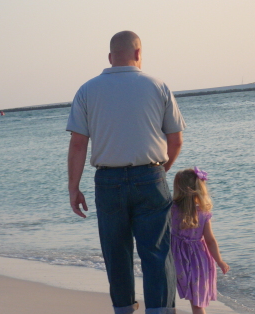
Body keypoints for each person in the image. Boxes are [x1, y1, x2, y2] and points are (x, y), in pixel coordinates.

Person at [66, 31, 186, 314]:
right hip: (151, 175)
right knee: (156, 253)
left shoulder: (87, 90)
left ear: (110, 57)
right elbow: (176, 140)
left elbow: (78, 144)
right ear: (138, 53)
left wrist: (73, 188)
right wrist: (161, 171)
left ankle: (124, 310)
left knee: (116, 254)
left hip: (108, 180)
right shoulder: (158, 86)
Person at [171, 167, 230, 314]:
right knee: (197, 302)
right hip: (199, 260)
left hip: (177, 258)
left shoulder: (171, 209)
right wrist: (220, 261)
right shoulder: (203, 213)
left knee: (167, 291)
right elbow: (210, 241)